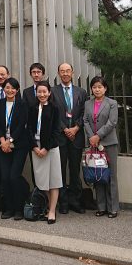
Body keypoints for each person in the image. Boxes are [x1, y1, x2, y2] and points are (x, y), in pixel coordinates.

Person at [83, 75, 120, 218]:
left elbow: (112, 122)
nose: (97, 89)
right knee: (97, 174)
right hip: (93, 144)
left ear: (105, 88)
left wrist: (98, 135)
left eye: (100, 87)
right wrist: (92, 137)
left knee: (110, 175)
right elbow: (85, 120)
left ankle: (113, 208)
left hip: (108, 143)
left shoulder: (112, 103)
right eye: (94, 87)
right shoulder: (88, 104)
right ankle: (101, 206)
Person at [54, 62, 88, 214]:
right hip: (60, 137)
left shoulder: (81, 92)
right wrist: (65, 129)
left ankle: (75, 200)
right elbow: (53, 113)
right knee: (60, 170)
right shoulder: (53, 91)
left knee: (75, 171)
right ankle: (63, 202)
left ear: (72, 73)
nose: (65, 73)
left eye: (68, 71)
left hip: (76, 136)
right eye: (62, 71)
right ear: (59, 73)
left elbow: (84, 114)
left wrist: (75, 128)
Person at [0, 77, 29, 220]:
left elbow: (22, 125)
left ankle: (19, 208)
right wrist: (3, 141)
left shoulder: (22, 104)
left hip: (19, 145)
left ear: (17, 90)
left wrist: (10, 140)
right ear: (4, 89)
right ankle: (8, 208)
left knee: (14, 176)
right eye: (7, 88)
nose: (9, 90)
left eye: (12, 88)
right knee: (5, 177)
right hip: (2, 145)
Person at [28, 81, 62, 224]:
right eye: (39, 92)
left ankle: (52, 211)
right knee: (42, 181)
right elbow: (28, 129)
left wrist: (46, 148)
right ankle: (48, 205)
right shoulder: (32, 108)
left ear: (49, 93)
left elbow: (56, 131)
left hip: (51, 149)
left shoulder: (54, 108)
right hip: (36, 148)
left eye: (44, 92)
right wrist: (35, 147)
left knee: (53, 180)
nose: (42, 94)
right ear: (36, 93)